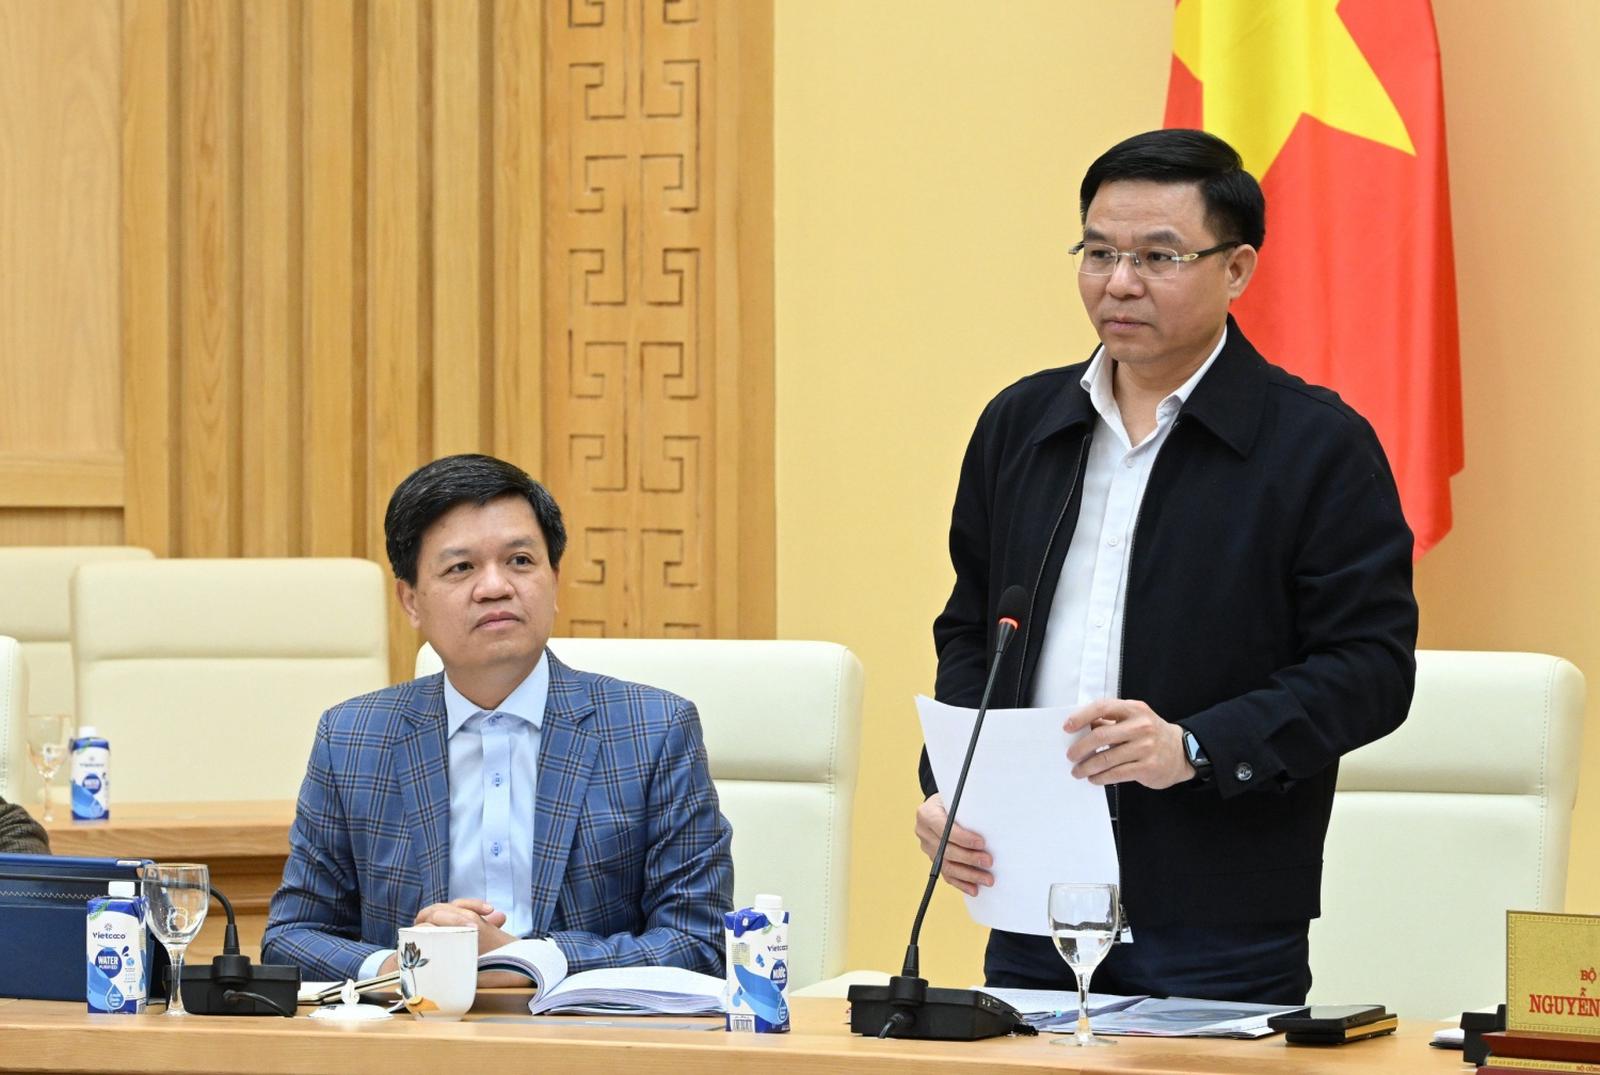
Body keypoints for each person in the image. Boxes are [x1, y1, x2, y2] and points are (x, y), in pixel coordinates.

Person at [914, 129, 1417, 1004]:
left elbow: (1370, 670)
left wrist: (1194, 746)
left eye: (1158, 256)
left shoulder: (1315, 445)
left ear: (1237, 268)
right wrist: (956, 784)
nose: (1119, 282)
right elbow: (973, 634)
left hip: (1217, 917)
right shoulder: (1021, 427)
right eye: (1099, 252)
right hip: (1031, 898)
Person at [263, 454, 733, 984]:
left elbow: (701, 941)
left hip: (589, 1028)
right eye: (461, 568)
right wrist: (408, 965)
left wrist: (526, 960)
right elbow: (291, 938)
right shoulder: (352, 739)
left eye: (520, 561)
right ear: (411, 600)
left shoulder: (655, 730)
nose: (494, 586)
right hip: (419, 1028)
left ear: (554, 580)